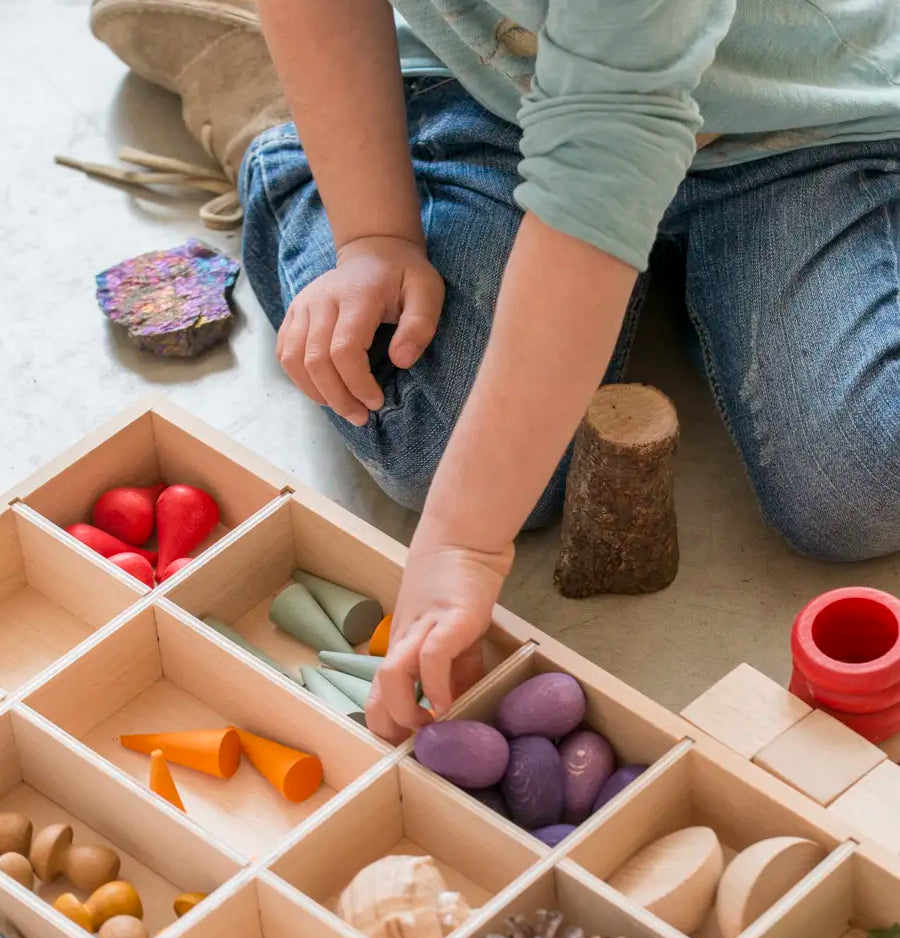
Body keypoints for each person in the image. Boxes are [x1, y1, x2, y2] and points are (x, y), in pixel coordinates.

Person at [92, 0, 900, 742]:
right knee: (426, 433)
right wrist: (375, 236)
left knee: (862, 480)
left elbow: (600, 171)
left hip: (801, 120)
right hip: (488, 88)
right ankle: (271, 104)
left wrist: (464, 545)